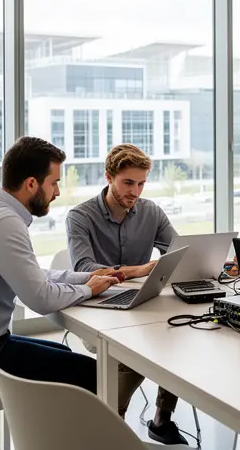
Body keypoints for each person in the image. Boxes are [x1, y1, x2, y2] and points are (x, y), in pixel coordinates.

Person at [0, 136, 122, 393]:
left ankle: (50, 418)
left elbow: (30, 274)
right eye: (54, 183)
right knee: (94, 374)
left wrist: (86, 278)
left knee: (64, 353)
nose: (57, 192)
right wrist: (89, 290)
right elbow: (40, 298)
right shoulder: (5, 223)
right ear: (31, 184)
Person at [66, 143, 187, 445]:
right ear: (109, 177)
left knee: (180, 330)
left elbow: (178, 253)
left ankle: (161, 419)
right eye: (128, 183)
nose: (135, 192)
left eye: (141, 184)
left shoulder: (151, 212)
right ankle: (111, 426)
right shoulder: (80, 217)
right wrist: (139, 270)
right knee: (135, 349)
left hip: (140, 303)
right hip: (95, 309)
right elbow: (85, 269)